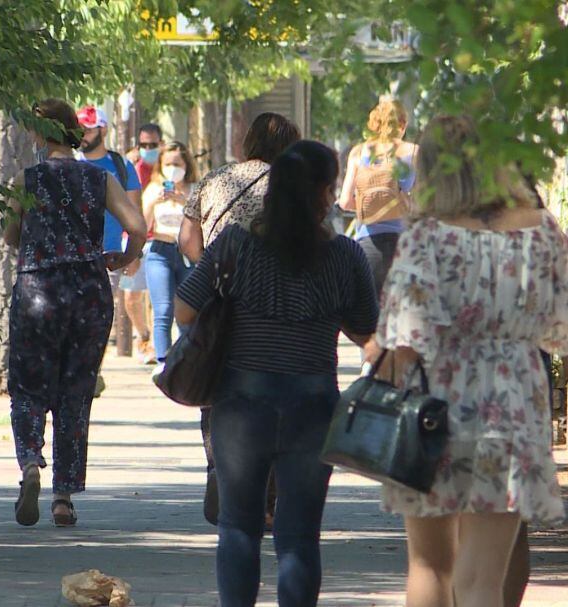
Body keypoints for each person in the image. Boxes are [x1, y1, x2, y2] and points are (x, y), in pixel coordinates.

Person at [373, 115, 568, 607]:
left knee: (430, 566)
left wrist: (379, 398)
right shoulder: (540, 233)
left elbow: (407, 337)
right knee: (483, 580)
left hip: (432, 410)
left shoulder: (425, 236)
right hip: (514, 405)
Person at [175, 140, 378, 606]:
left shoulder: (235, 246)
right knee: (300, 535)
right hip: (313, 403)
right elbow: (366, 329)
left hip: (241, 403)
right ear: (326, 193)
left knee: (239, 528)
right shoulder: (345, 256)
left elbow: (186, 310)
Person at [3, 99, 145, 528]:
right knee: (75, 392)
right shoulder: (98, 178)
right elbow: (137, 225)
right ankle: (64, 497)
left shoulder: (26, 179)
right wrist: (123, 258)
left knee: (28, 386)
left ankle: (30, 463)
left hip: (37, 289)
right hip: (87, 292)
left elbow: (11, 235)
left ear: (38, 134)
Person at [178, 112, 302, 526]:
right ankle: (265, 500)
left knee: (217, 389)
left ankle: (217, 469)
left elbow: (187, 240)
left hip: (220, 299)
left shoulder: (214, 179)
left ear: (247, 141)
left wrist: (210, 270)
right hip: (273, 304)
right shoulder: (292, 183)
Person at [76, 106, 145, 378]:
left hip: (110, 254)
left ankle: (92, 371)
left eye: (89, 128)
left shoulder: (121, 166)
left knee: (100, 314)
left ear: (103, 130)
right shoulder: (72, 164)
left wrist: (133, 254)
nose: (83, 134)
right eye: (79, 129)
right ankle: (83, 369)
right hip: (74, 252)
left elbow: (134, 213)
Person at [337, 97, 418, 295]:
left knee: (368, 315)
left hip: (367, 245)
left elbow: (345, 201)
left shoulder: (358, 153)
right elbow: (424, 202)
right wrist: (397, 206)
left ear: (375, 124)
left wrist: (372, 207)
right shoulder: (414, 152)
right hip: (403, 245)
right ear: (403, 124)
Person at [142, 141, 199, 373]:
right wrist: (154, 203)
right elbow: (142, 225)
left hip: (188, 253)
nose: (173, 168)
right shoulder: (154, 189)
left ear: (186, 164)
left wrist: (183, 201)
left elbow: (203, 221)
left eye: (177, 163)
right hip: (160, 251)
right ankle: (163, 363)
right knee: (163, 310)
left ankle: (187, 362)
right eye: (168, 164)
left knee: (188, 312)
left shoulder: (195, 189)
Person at [122, 122, 165, 364]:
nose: (149, 149)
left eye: (153, 145)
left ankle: (158, 345)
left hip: (160, 239)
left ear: (161, 144)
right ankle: (144, 336)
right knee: (131, 296)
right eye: (144, 145)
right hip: (134, 240)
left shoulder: (167, 169)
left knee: (157, 296)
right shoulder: (132, 170)